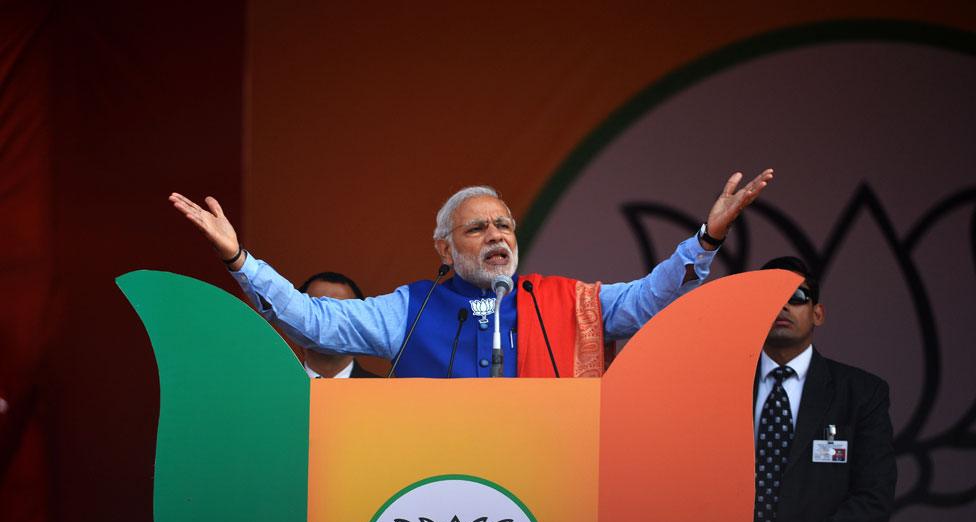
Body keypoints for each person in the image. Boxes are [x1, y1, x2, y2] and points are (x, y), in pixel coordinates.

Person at [168, 169, 773, 377]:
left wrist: (707, 239)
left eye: (504, 226)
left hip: (554, 498)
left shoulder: (566, 302)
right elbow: (312, 322)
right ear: (444, 245)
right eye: (478, 229)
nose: (497, 238)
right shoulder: (408, 309)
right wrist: (239, 260)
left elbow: (648, 300)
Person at [725, 257, 897, 522]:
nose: (782, 306)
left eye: (797, 297)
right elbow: (696, 490)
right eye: (770, 298)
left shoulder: (862, 392)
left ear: (817, 313)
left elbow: (875, 496)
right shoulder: (719, 389)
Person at [297, 271, 378, 378]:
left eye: (341, 313)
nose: (329, 322)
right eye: (318, 312)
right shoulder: (271, 390)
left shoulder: (387, 393)